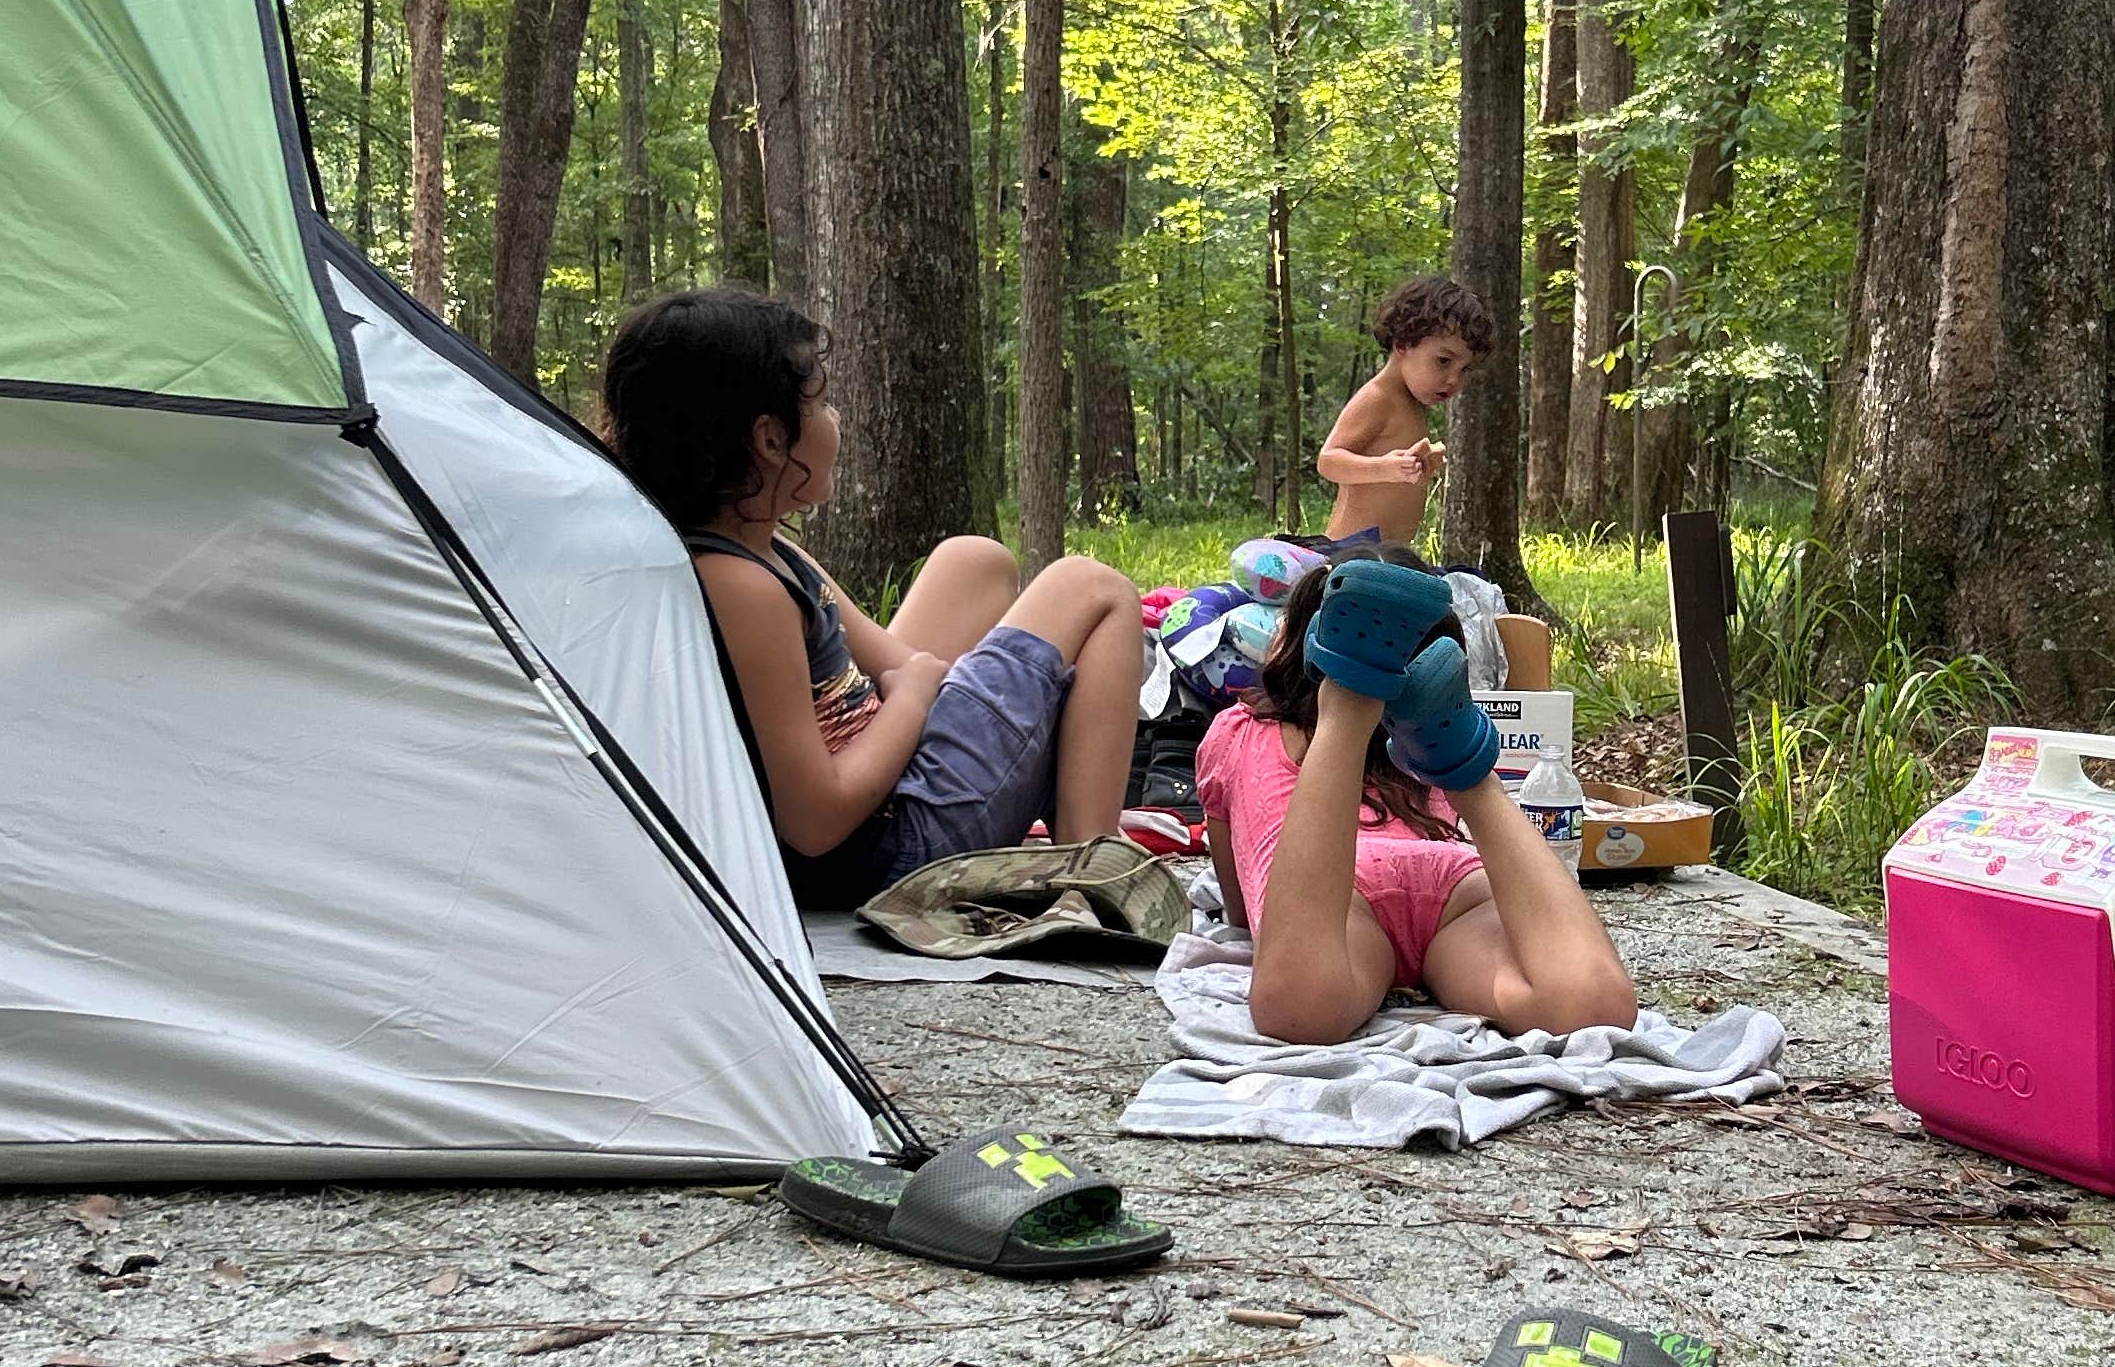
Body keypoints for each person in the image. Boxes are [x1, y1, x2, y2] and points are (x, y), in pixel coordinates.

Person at [602, 287, 1144, 912]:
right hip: (895, 846)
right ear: (770, 441)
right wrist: (915, 697)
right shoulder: (741, 588)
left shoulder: (757, 546)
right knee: (1090, 587)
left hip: (882, 769)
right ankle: (1091, 867)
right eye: (823, 403)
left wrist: (926, 686)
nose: (836, 419)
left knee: (975, 560)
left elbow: (896, 660)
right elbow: (814, 821)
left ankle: (1054, 790)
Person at [1199, 560, 1636, 1043]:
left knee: (1299, 1011)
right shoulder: (1407, 757)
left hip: (1339, 897)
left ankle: (1345, 704)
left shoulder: (1238, 732)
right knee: (1590, 1009)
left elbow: (1239, 905)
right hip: (1455, 882)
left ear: (1294, 648)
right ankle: (1465, 768)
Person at [1315, 274, 1494, 550]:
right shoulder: (1378, 398)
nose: (1454, 380)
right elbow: (1328, 461)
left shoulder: (1410, 403)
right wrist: (1385, 468)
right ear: (1402, 344)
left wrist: (1418, 465)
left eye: (1463, 370)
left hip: (1386, 555)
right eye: (1443, 361)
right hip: (1348, 552)